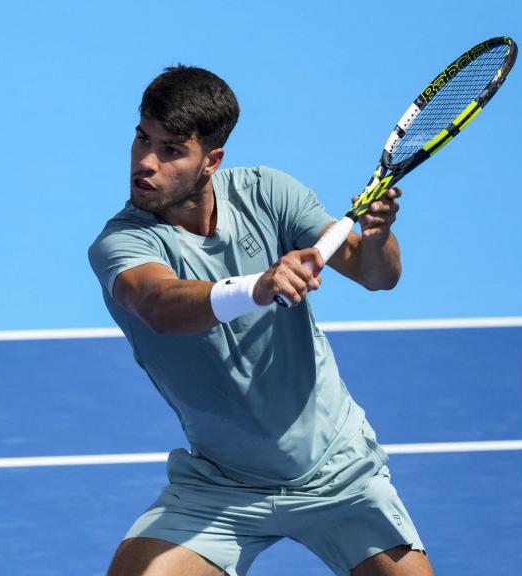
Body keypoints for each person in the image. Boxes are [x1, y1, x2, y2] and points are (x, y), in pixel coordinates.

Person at [88, 65, 434, 576]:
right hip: (223, 483)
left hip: (339, 469)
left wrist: (379, 238)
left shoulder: (268, 193)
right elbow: (159, 305)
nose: (145, 162)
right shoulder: (122, 242)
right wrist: (259, 286)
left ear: (212, 160)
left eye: (170, 150)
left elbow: (374, 274)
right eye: (142, 138)